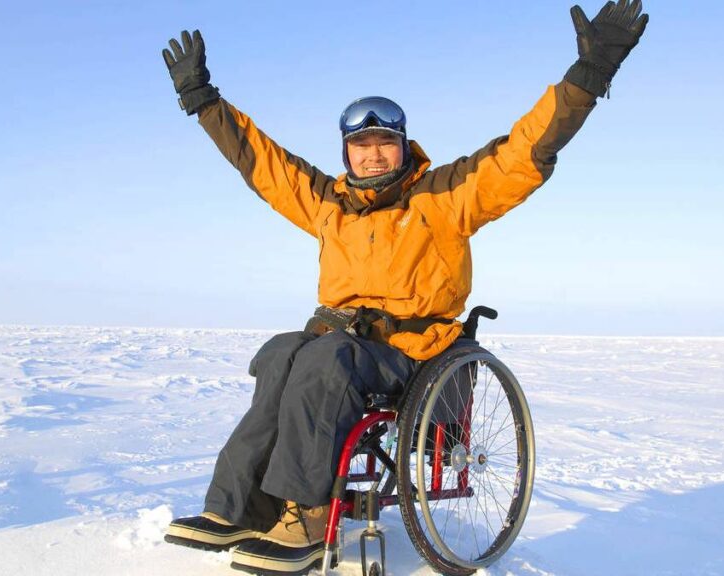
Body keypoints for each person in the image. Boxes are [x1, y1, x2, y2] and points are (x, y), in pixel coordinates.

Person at [160, 2, 648, 574]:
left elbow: (521, 153)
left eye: (383, 143)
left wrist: (586, 79)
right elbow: (265, 164)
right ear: (347, 153)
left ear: (403, 145)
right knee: (281, 353)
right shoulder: (329, 205)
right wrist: (204, 102)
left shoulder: (444, 195)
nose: (372, 155)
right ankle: (239, 507)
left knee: (325, 361)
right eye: (360, 145)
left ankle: (311, 514)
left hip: (408, 353)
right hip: (337, 339)